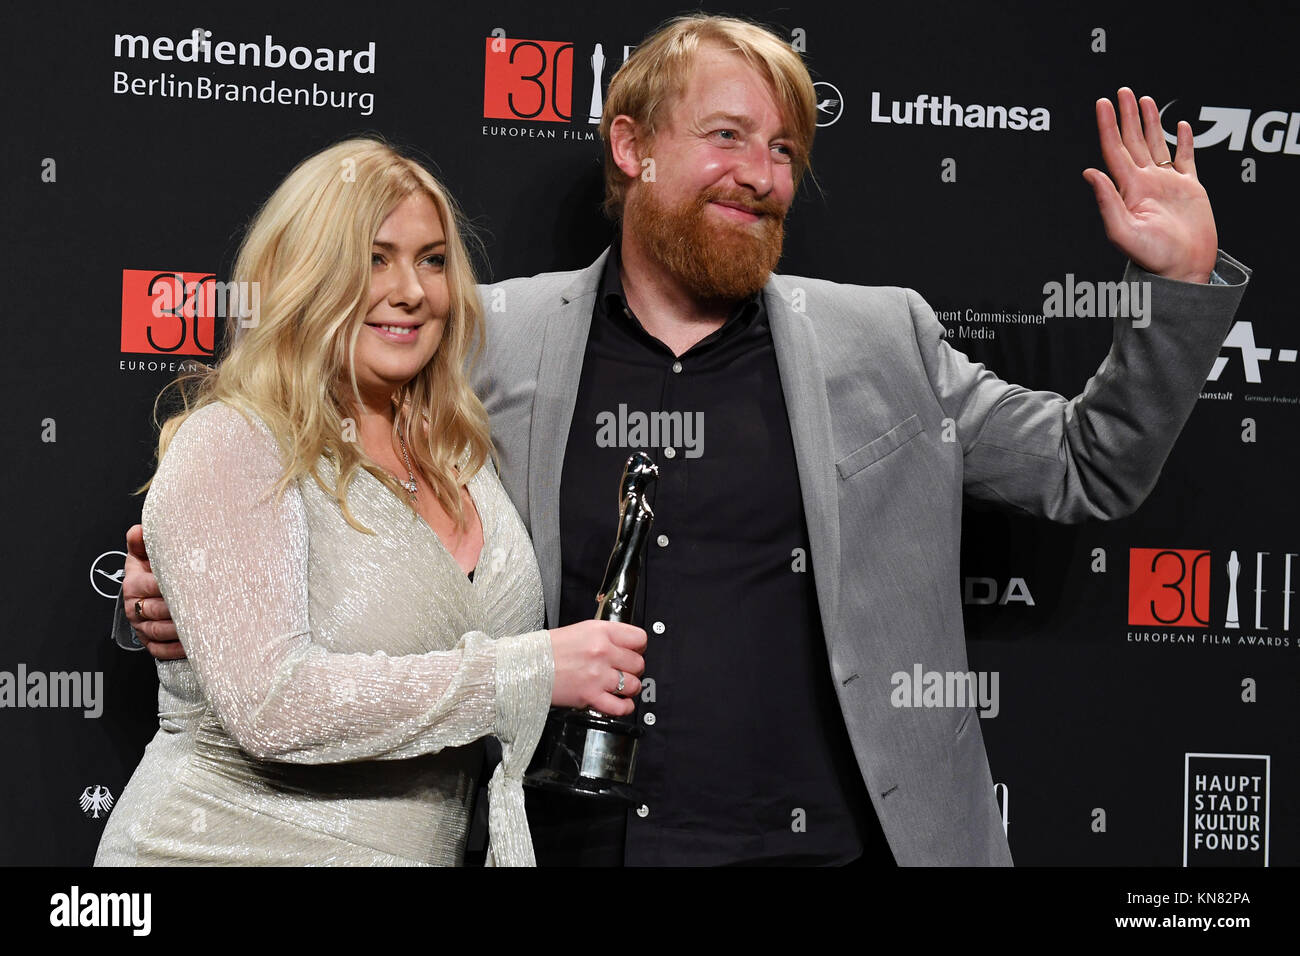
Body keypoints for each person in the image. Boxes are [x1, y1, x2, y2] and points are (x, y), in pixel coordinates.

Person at [118, 15, 1250, 865]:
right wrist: (169, 591)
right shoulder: (486, 334)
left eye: (784, 148)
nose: (761, 174)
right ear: (630, 147)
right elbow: (312, 475)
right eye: (725, 135)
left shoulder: (880, 339)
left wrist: (1180, 292)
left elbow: (1087, 467)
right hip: (559, 847)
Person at [96, 138, 646, 867]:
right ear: (305, 274)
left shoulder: (462, 458)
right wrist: (527, 671)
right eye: (374, 257)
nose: (411, 290)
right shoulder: (234, 441)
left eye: (432, 259)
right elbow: (274, 706)